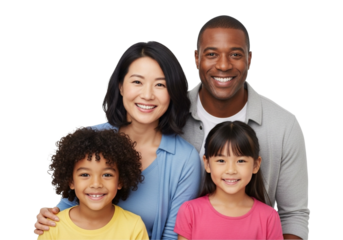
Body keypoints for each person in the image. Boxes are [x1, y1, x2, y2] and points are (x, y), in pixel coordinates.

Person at [34, 41, 201, 239]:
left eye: (160, 84)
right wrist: (49, 216)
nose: (147, 95)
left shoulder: (184, 160)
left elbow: (173, 234)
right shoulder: (92, 138)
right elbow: (71, 203)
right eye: (137, 82)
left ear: (173, 92)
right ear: (121, 86)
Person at [180, 14, 309, 240]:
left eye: (235, 55)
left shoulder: (284, 125)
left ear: (249, 59)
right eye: (211, 54)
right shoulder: (169, 115)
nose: (223, 65)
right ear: (196, 58)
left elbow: (294, 215)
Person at [174, 121, 283, 239]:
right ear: (207, 164)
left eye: (241, 161)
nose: (231, 170)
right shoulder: (190, 212)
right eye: (221, 161)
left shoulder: (269, 217)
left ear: (256, 165)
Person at [38, 127, 148, 239]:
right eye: (85, 175)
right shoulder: (51, 227)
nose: (96, 184)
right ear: (71, 181)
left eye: (107, 175)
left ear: (120, 181)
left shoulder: (133, 227)